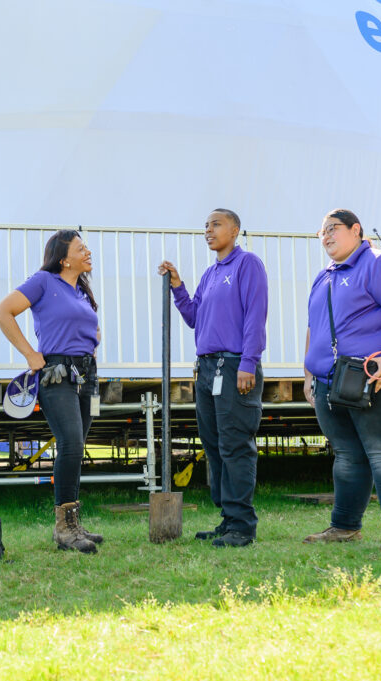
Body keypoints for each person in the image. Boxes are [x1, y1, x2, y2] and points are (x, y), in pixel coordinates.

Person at [302, 210, 381, 550]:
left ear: (356, 230)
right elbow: (315, 327)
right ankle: (344, 527)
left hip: (373, 375)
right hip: (329, 380)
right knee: (346, 455)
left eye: (332, 229)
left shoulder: (378, 262)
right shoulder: (323, 276)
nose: (325, 236)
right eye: (321, 232)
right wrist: (309, 373)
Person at [158, 209, 268, 548]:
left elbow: (255, 315)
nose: (208, 230)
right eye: (205, 225)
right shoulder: (209, 274)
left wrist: (249, 363)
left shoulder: (247, 264)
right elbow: (194, 317)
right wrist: (178, 286)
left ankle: (243, 524)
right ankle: (228, 518)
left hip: (235, 366)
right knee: (214, 444)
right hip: (206, 369)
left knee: (235, 445)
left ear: (235, 229)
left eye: (216, 224)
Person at [0, 230, 103, 553]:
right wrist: (30, 354)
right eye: (81, 248)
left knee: (78, 445)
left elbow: (89, 329)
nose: (88, 252)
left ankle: (73, 523)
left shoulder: (80, 290)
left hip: (86, 376)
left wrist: (92, 346)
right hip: (56, 375)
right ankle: (64, 529)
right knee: (70, 442)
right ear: (64, 257)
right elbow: (3, 311)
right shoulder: (43, 281)